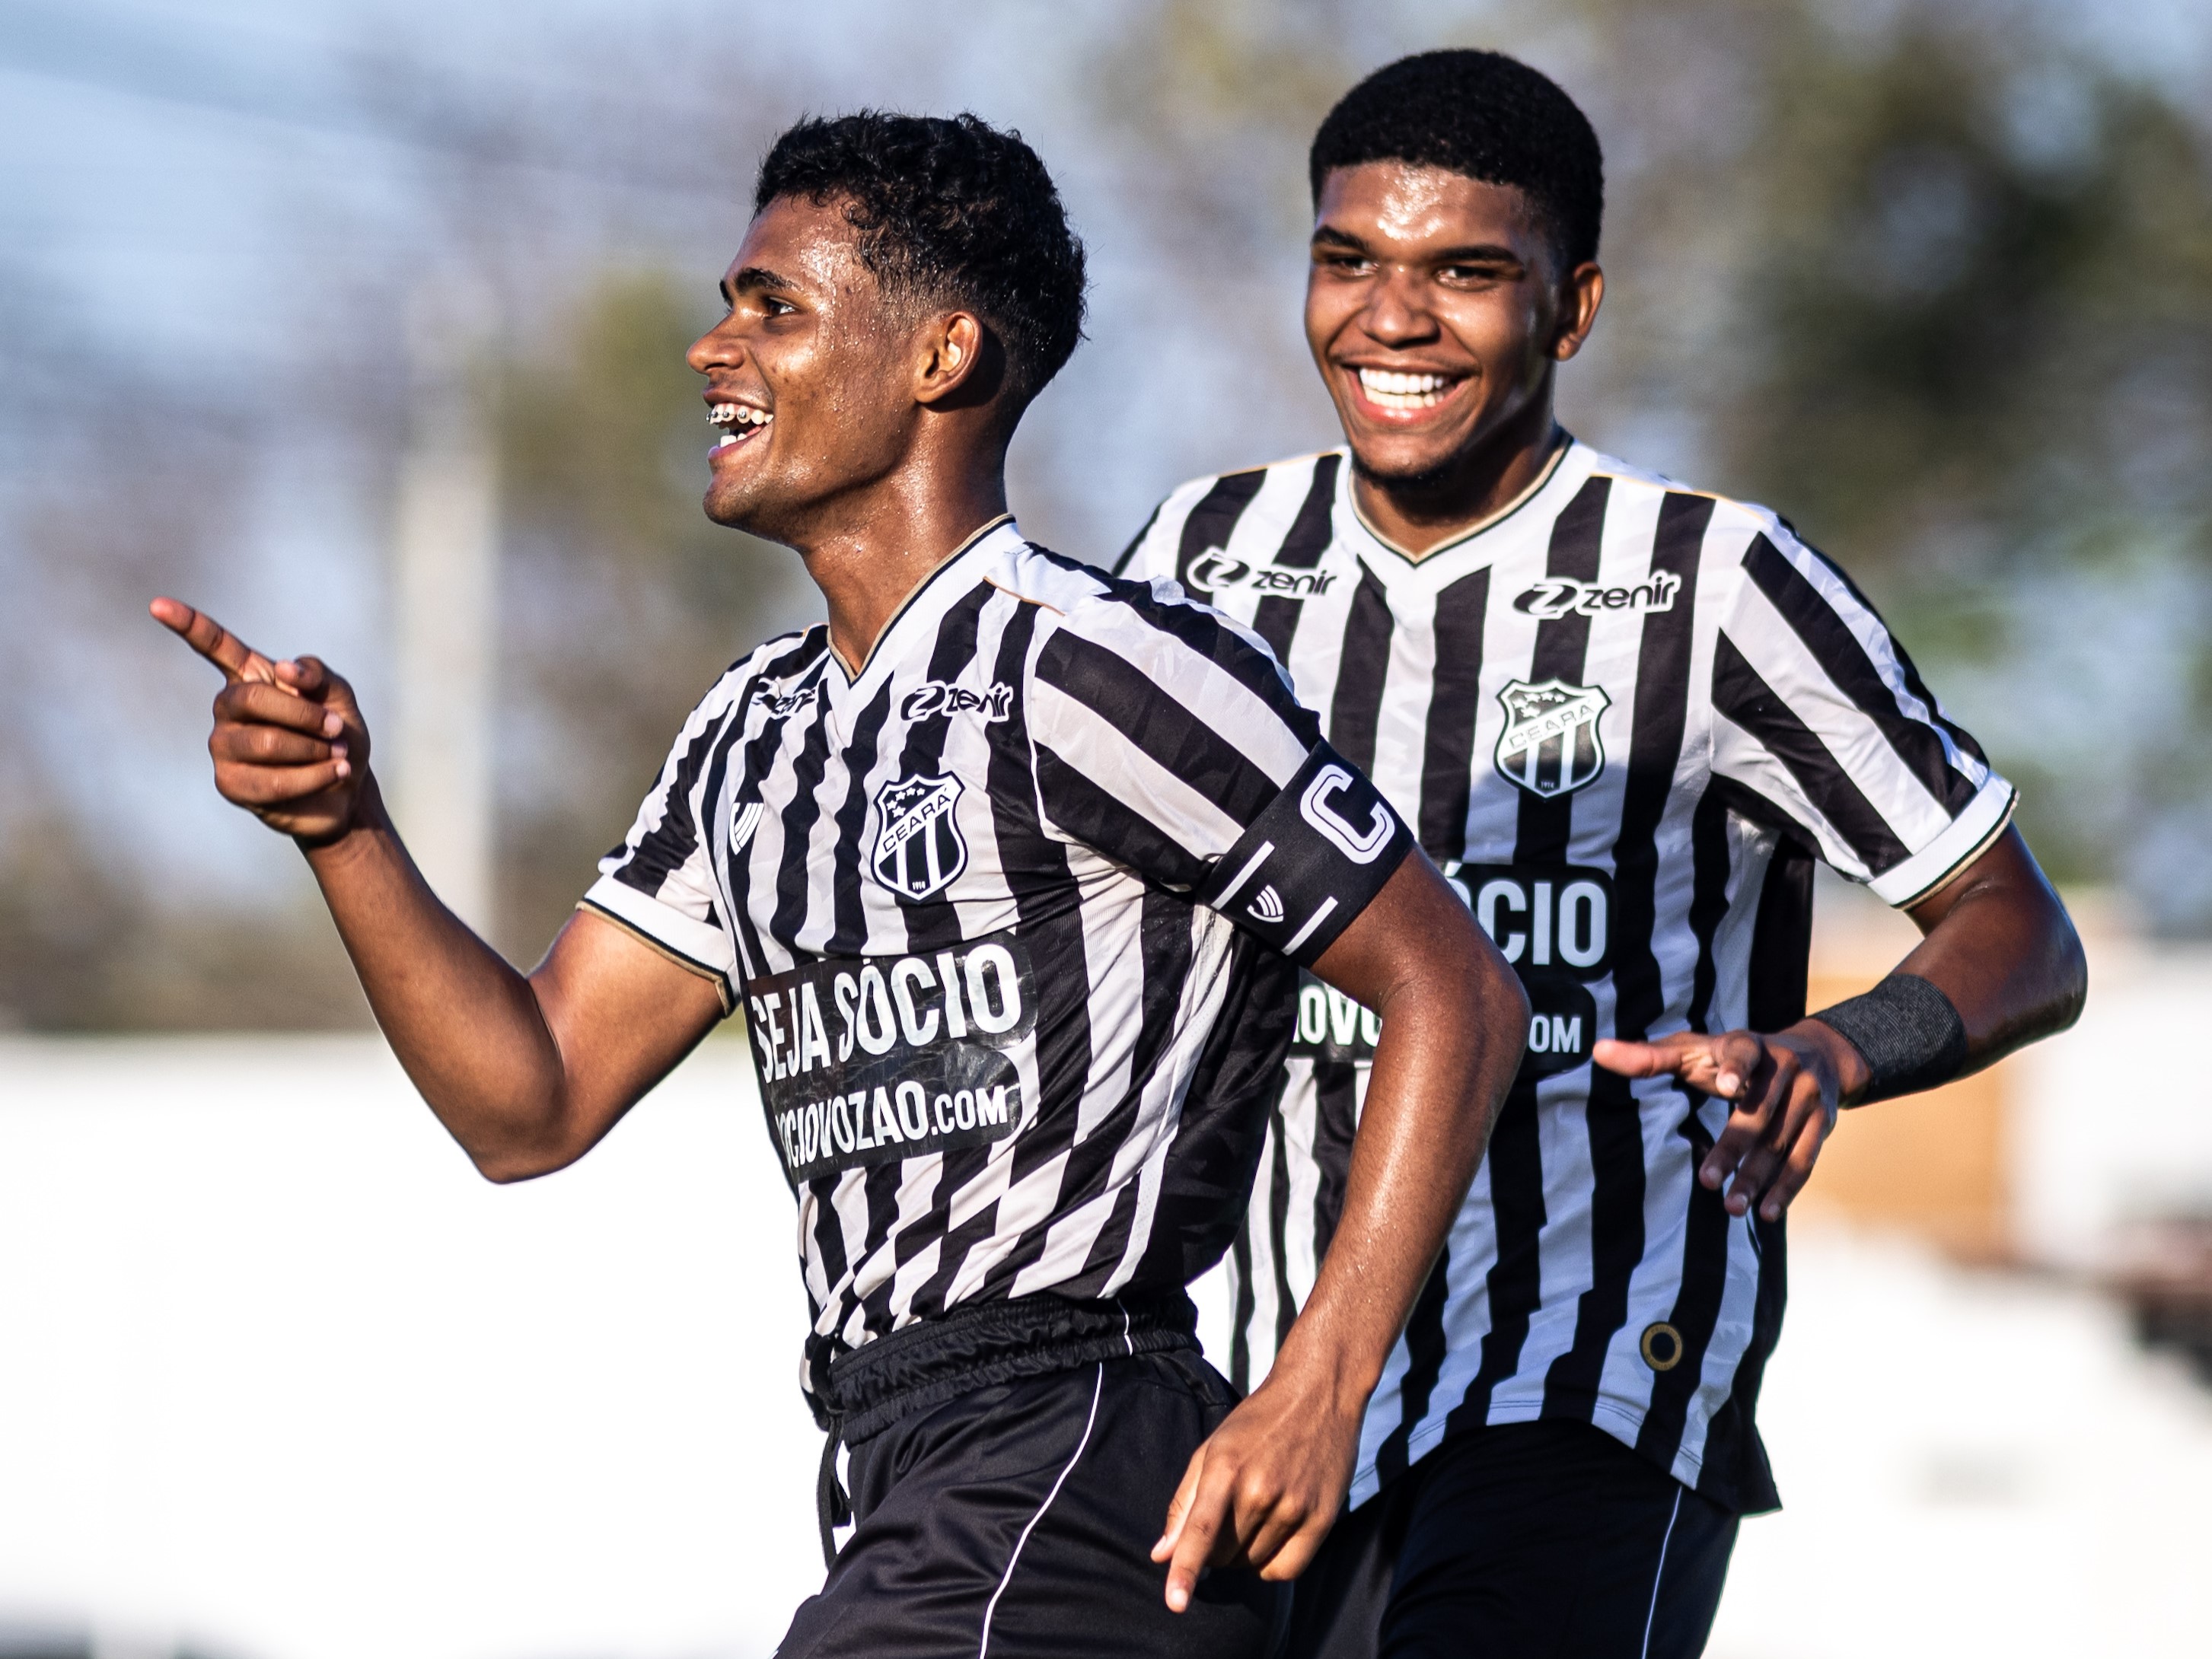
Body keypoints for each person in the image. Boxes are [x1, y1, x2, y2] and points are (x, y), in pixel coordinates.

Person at [152, 111, 1529, 1657]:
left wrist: (1318, 1385)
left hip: (1073, 1446)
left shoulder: (1095, 667)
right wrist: (344, 828)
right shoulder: (751, 733)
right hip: (893, 1468)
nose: (709, 347)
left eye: (771, 306)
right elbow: (526, 1100)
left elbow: (1457, 989)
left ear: (938, 359)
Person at [1118, 49, 2087, 1658]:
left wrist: (1833, 1051)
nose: (1391, 319)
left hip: (1596, 1373)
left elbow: (2015, 924)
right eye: (1347, 260)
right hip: (1284, 1387)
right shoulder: (1202, 560)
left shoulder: (1717, 581)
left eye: (1465, 275)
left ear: (1569, 310)